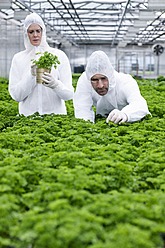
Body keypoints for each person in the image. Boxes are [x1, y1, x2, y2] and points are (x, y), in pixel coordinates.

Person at [9, 13, 74, 116]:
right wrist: (31, 76)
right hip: (28, 119)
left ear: (43, 32)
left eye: (38, 31)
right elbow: (16, 95)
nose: (35, 35)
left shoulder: (59, 55)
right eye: (31, 32)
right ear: (26, 34)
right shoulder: (19, 58)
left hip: (56, 118)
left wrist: (55, 85)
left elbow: (69, 95)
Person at [73, 50, 150, 124]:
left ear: (110, 75)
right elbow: (82, 108)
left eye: (103, 79)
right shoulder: (85, 80)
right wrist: (87, 128)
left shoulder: (125, 81)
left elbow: (139, 104)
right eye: (94, 80)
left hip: (128, 122)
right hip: (102, 118)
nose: (100, 86)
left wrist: (125, 114)